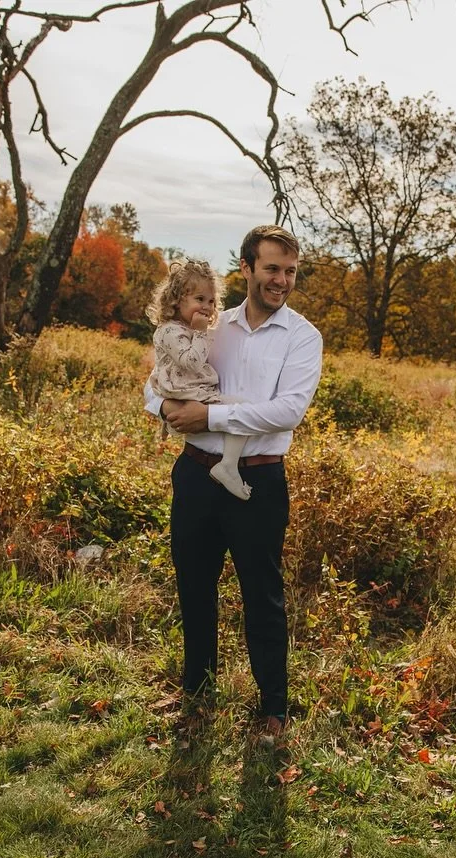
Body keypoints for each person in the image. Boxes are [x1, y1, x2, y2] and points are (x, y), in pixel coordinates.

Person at [143, 225, 323, 738]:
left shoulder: (303, 337)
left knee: (262, 595)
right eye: (271, 269)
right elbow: (153, 383)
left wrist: (210, 417)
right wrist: (168, 410)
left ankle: (273, 709)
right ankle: (196, 695)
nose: (281, 280)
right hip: (196, 476)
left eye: (289, 271)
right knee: (193, 588)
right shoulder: (208, 322)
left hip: (258, 483)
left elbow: (287, 412)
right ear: (245, 269)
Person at [146, 258, 252, 500]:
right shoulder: (170, 331)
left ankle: (225, 463)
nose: (207, 306)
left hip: (189, 391)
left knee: (238, 409)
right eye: (199, 299)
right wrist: (201, 333)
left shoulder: (185, 329)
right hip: (188, 392)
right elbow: (191, 362)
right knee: (241, 409)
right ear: (177, 299)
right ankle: (228, 466)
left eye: (211, 301)